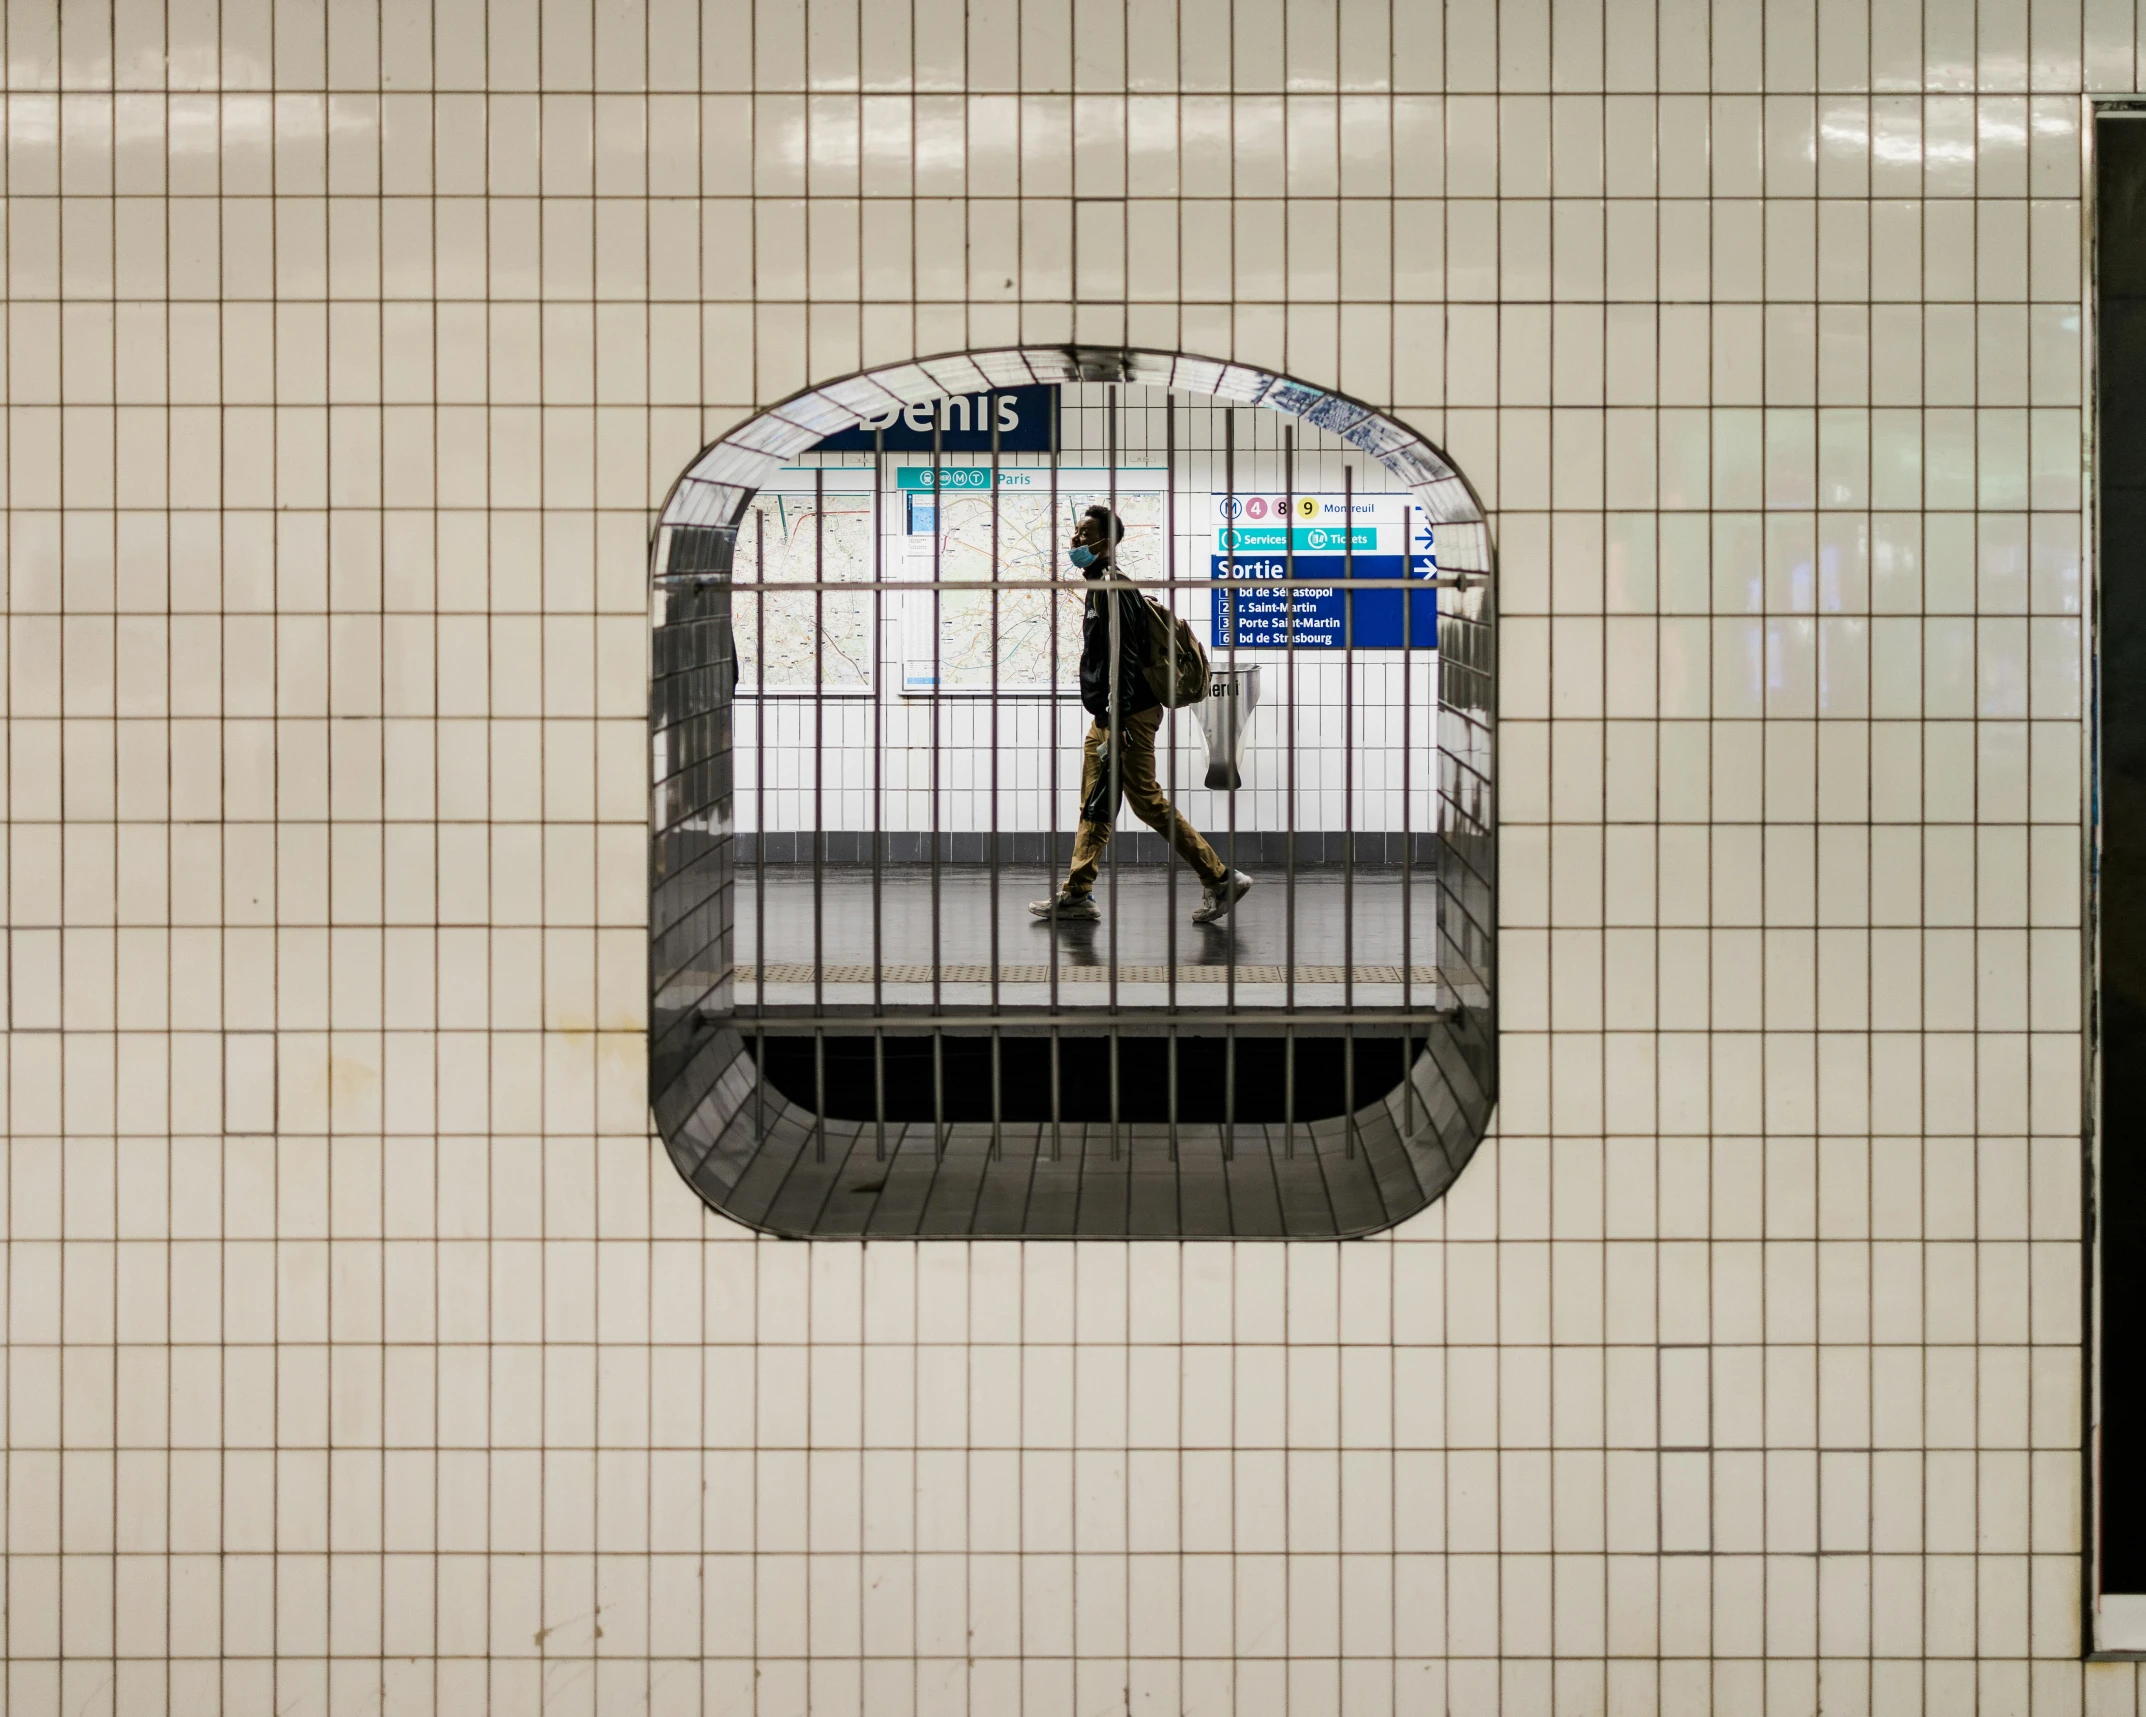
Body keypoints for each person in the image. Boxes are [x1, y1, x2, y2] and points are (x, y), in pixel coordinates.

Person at [1030, 504, 1253, 925]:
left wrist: (1118, 723)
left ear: (1108, 542)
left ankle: (1221, 877)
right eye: (1076, 533)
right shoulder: (1100, 586)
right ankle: (1078, 893)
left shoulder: (1114, 587)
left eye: (1086, 533)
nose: (1076, 541)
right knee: (1096, 802)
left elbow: (1124, 658)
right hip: (1110, 717)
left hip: (1127, 716)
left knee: (1147, 802)